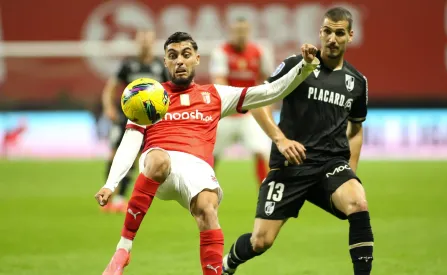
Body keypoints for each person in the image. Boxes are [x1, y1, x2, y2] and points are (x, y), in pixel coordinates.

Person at [94, 31, 319, 275]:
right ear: (165, 62)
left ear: (197, 59)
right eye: (173, 56)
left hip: (196, 167)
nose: (180, 61)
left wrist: (305, 68)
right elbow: (130, 140)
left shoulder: (215, 95)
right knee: (158, 160)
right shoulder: (150, 96)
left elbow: (269, 92)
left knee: (208, 210)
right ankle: (123, 249)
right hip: (161, 163)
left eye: (186, 55)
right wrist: (111, 183)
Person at [222, 7, 374, 275]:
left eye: (340, 33)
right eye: (327, 31)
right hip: (290, 167)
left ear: (350, 36)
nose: (332, 39)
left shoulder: (357, 82)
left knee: (358, 202)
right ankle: (228, 264)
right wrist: (280, 140)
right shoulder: (298, 66)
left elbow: (357, 128)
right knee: (261, 241)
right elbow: (259, 102)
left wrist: (350, 171)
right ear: (320, 32)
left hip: (330, 164)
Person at [100, 29, 170, 213]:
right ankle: (109, 193)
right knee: (114, 155)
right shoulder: (127, 65)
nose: (145, 43)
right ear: (137, 43)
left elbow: (169, 93)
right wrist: (108, 107)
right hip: (126, 118)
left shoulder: (159, 66)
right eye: (142, 40)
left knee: (136, 159)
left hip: (149, 121)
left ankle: (121, 199)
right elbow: (110, 88)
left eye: (148, 40)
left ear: (153, 43)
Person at [209, 17, 274, 187]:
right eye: (237, 31)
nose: (241, 35)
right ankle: (203, 191)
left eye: (244, 31)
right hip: (227, 113)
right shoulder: (221, 52)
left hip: (251, 114)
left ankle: (266, 193)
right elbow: (220, 83)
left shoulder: (259, 52)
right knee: (211, 155)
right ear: (231, 32)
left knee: (262, 151)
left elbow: (267, 81)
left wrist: (265, 105)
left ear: (249, 32)